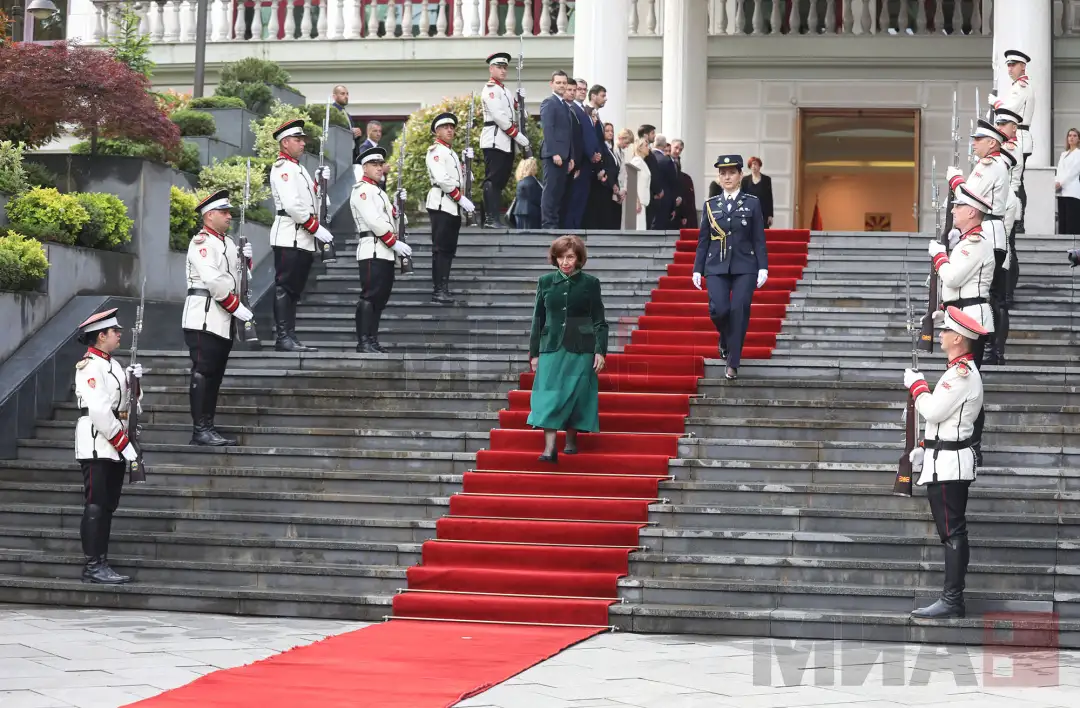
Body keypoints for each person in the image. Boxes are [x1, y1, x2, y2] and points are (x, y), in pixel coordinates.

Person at [904, 306, 988, 620]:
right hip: (945, 460)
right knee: (952, 532)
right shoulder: (957, 371)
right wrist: (925, 448)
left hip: (950, 465)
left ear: (958, 339)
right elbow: (944, 423)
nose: (940, 335)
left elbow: (934, 411)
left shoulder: (961, 374)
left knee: (953, 532)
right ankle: (952, 598)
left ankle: (952, 599)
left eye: (946, 331)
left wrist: (917, 386)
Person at [74, 308, 142, 584]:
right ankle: (93, 565)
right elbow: (100, 411)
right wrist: (122, 442)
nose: (119, 335)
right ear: (101, 336)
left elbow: (128, 406)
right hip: (98, 444)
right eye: (115, 331)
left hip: (114, 443)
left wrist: (135, 383)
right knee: (96, 505)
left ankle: (101, 561)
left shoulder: (112, 364)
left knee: (107, 506)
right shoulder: (90, 366)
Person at [527, 235, 609, 462]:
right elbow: (537, 319)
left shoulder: (590, 283)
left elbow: (599, 321)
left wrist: (600, 350)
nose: (565, 262)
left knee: (575, 394)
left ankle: (571, 439)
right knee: (547, 395)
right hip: (551, 346)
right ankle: (549, 449)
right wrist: (534, 354)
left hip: (581, 348)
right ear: (555, 258)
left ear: (579, 258)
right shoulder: (545, 282)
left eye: (570, 257)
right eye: (561, 257)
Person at [183, 189, 253, 446]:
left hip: (222, 319)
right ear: (209, 215)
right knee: (204, 371)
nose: (229, 216)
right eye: (224, 212)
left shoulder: (228, 242)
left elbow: (239, 278)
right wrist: (235, 306)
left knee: (215, 374)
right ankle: (200, 429)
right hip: (204, 317)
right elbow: (213, 280)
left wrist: (246, 261)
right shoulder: (201, 242)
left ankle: (208, 425)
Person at [692, 155, 768, 380]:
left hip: (745, 265)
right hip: (716, 264)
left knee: (739, 309)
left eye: (732, 173)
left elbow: (758, 238)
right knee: (719, 310)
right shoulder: (710, 205)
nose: (727, 177)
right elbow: (703, 239)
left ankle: (733, 362)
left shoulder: (752, 203)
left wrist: (763, 267)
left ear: (740, 175)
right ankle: (725, 339)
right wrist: (697, 268)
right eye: (723, 173)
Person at [947, 120, 1010, 366]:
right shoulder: (995, 164)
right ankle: (994, 347)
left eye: (978, 140)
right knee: (991, 294)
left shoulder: (990, 165)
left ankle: (991, 346)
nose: (973, 144)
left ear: (992, 142)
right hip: (993, 230)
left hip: (988, 230)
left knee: (987, 294)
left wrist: (955, 180)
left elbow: (969, 197)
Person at [269, 118, 334, 353]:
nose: (303, 143)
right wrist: (315, 228)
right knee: (284, 288)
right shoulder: (283, 168)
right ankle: (283, 337)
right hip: (290, 235)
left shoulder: (299, 168)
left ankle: (291, 336)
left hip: (302, 238)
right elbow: (293, 205)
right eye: (298, 140)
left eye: (302, 139)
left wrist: (319, 183)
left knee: (294, 291)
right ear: (285, 142)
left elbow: (319, 202)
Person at [350, 146, 413, 353]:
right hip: (373, 250)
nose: (379, 168)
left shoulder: (379, 192)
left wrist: (398, 206)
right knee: (370, 296)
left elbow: (398, 220)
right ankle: (364, 341)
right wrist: (393, 242)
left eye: (380, 164)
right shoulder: (362, 190)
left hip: (384, 251)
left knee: (380, 298)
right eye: (374, 164)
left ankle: (372, 339)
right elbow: (374, 221)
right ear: (364, 168)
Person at [929, 183, 996, 368]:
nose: (953, 211)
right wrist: (945, 309)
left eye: (958, 206)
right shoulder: (966, 242)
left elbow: (952, 278)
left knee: (964, 375)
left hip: (970, 319)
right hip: (961, 315)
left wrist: (939, 256)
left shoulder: (976, 243)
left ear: (972, 212)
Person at [425, 112, 476, 304]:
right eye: (445, 127)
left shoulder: (451, 152)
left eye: (452, 127)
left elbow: (463, 179)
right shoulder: (436, 151)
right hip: (442, 203)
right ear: (436, 131)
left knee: (448, 249)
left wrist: (466, 165)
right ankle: (439, 290)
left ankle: (443, 287)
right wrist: (460, 198)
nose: (449, 130)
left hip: (451, 206)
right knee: (441, 249)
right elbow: (442, 179)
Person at [480, 52, 530, 227]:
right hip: (495, 139)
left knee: (500, 180)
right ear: (491, 69)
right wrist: (517, 135)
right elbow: (499, 117)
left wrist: (521, 102)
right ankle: (490, 218)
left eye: (504, 68)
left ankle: (495, 217)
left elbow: (519, 112)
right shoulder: (491, 90)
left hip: (506, 141)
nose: (503, 70)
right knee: (493, 179)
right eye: (499, 67)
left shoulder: (505, 91)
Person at [995, 109, 1024, 311]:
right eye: (998, 124)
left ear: (1013, 128)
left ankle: (1007, 291)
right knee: (1004, 245)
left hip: (1008, 199)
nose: (999, 127)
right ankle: (1003, 290)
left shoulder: (1010, 148)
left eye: (1003, 124)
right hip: (1001, 198)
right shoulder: (1003, 145)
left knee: (1007, 246)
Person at [539, 71, 574, 230]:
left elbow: (568, 134)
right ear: (551, 84)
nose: (561, 85)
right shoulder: (549, 102)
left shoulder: (565, 105)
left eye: (564, 83)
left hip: (564, 156)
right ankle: (548, 224)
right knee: (551, 190)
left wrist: (571, 156)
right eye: (558, 82)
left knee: (559, 192)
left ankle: (554, 222)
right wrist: (554, 153)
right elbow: (548, 129)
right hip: (553, 155)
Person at [1056, 128, 1080, 234]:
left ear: (1078, 139)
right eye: (1070, 135)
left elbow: (1073, 171)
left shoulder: (1078, 154)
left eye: (1075, 136)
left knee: (1072, 221)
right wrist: (1056, 182)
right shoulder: (1063, 154)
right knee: (1062, 221)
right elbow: (1059, 170)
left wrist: (1060, 182)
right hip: (1061, 192)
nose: (1072, 138)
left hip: (1072, 191)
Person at [741, 157, 774, 228]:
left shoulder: (766, 179)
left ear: (759, 166)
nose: (753, 166)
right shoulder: (745, 180)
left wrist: (770, 215)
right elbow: (742, 197)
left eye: (755, 164)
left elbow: (769, 198)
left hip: (763, 212)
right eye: (751, 164)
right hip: (749, 212)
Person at [627, 137, 653, 231]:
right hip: (637, 203)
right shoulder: (637, 161)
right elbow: (630, 181)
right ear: (640, 148)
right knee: (637, 231)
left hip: (642, 203)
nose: (648, 148)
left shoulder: (642, 162)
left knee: (641, 230)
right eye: (646, 146)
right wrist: (636, 201)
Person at [513, 157, 543, 230]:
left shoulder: (520, 182)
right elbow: (538, 199)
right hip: (531, 211)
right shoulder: (533, 181)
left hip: (519, 211)